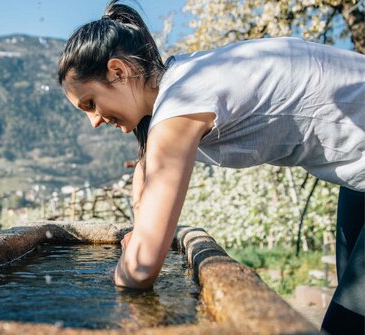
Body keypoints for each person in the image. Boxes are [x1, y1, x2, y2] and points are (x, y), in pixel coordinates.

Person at [57, 1, 365, 334]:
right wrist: (137, 232)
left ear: (118, 71)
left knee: (346, 324)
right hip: (356, 180)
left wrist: (121, 276)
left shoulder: (181, 107)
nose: (93, 122)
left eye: (90, 103)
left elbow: (141, 270)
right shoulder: (183, 79)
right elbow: (146, 172)